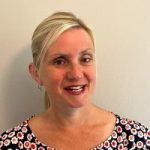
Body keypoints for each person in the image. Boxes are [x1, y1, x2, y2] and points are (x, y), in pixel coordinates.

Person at [0, 11, 150, 150]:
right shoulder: (11, 144)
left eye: (85, 59)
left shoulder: (136, 139)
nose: (76, 74)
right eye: (60, 61)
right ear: (36, 74)